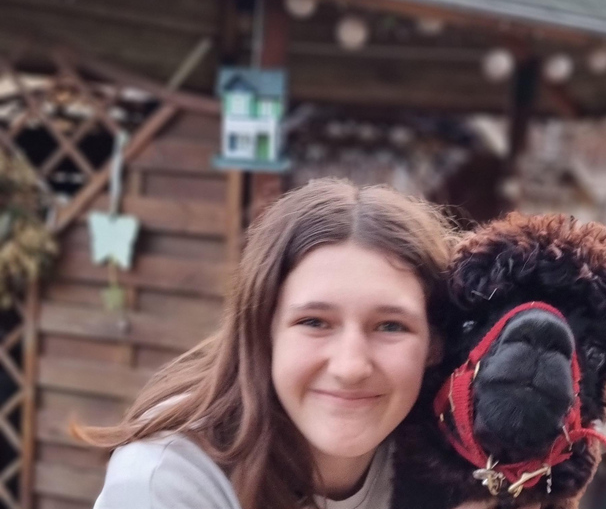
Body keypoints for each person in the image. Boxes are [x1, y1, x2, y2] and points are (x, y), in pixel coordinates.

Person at [78, 178, 458, 509]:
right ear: (262, 332)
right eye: (314, 322)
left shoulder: (459, 464)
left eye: (390, 326)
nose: (350, 367)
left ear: (434, 344)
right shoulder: (166, 477)